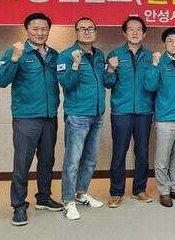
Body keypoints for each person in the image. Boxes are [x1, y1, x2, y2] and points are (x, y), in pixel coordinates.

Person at [0, 12, 62, 226]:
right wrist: (15, 58)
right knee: (22, 163)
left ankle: (43, 198)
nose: (40, 32)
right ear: (26, 30)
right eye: (35, 29)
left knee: (47, 161)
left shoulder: (54, 55)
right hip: (26, 118)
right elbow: (1, 80)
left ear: (49, 31)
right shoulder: (16, 52)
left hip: (50, 117)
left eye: (44, 29)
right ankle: (19, 206)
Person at [57, 17, 107, 220]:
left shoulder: (99, 54)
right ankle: (68, 201)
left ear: (95, 31)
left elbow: (105, 81)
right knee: (73, 160)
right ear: (76, 32)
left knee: (91, 158)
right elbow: (66, 84)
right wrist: (76, 64)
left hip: (98, 114)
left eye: (90, 28)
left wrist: (111, 70)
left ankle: (81, 194)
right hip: (77, 115)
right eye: (82, 29)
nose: (87, 31)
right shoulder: (66, 55)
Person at [103, 16, 155, 208]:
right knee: (119, 153)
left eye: (139, 29)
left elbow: (155, 86)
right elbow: (107, 83)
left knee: (142, 153)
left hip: (144, 111)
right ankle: (116, 192)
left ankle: (139, 189)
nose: (135, 33)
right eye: (131, 29)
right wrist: (110, 70)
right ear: (124, 33)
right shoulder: (115, 55)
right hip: (121, 112)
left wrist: (154, 109)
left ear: (144, 33)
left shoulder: (151, 57)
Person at [145, 27, 175, 208]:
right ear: (164, 43)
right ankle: (164, 191)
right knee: (162, 159)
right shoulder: (159, 62)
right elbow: (149, 86)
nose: (174, 44)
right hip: (166, 118)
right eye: (170, 41)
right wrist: (154, 64)